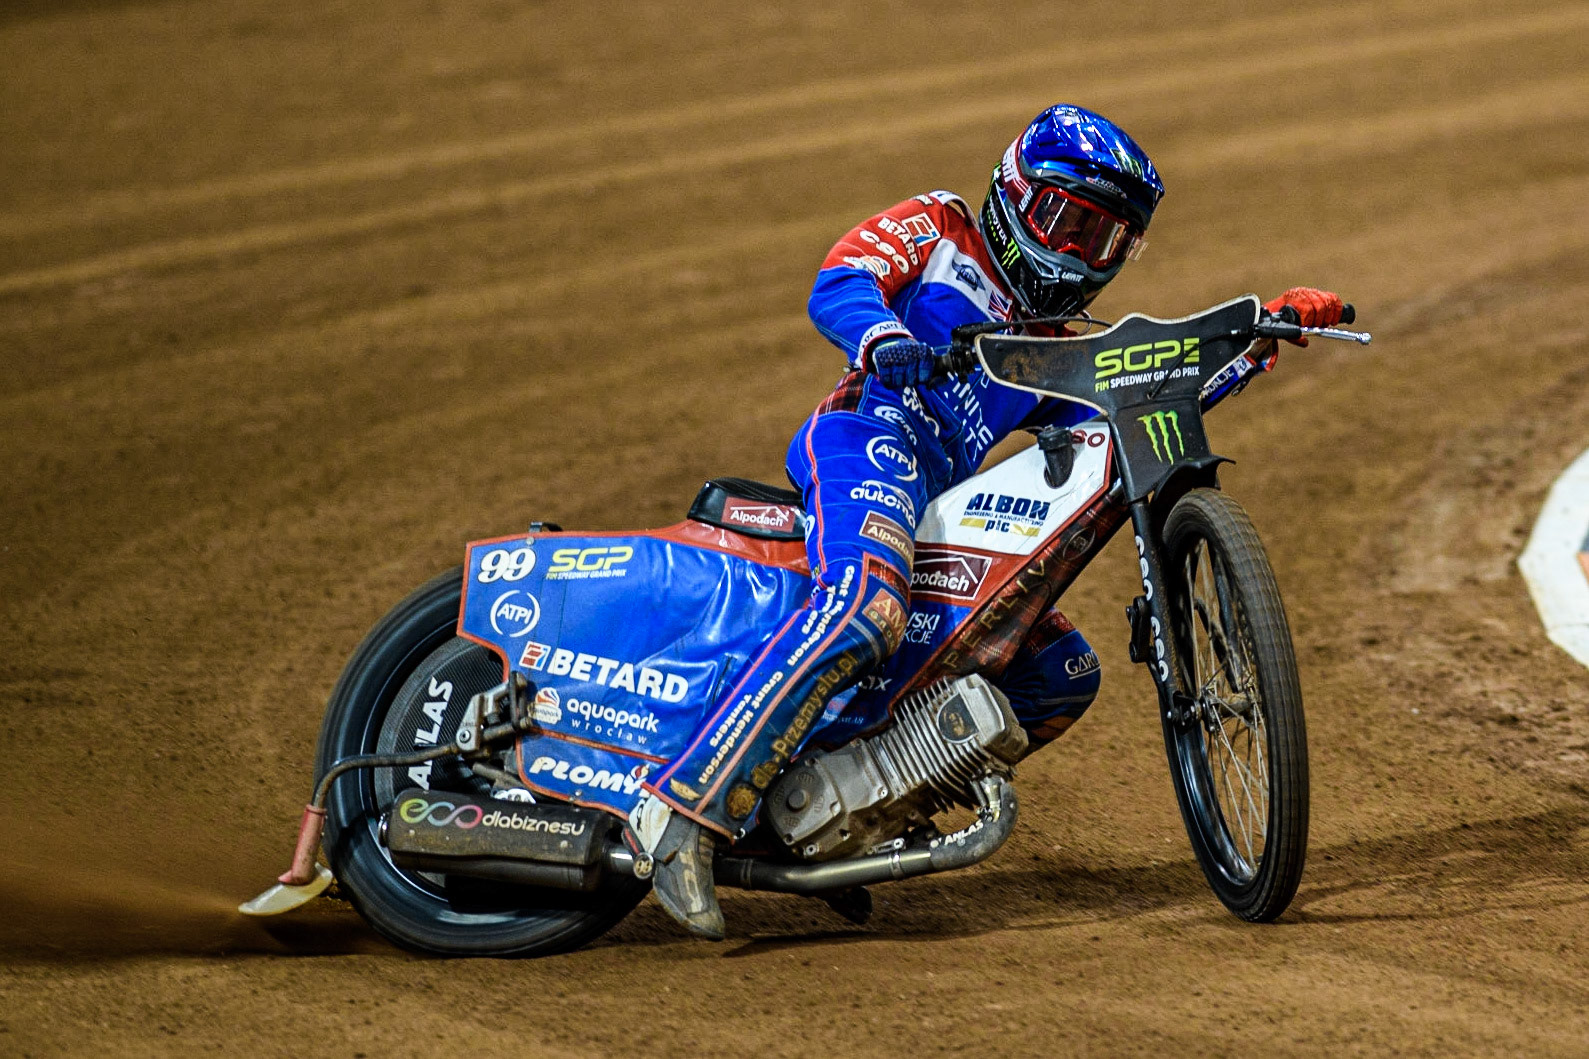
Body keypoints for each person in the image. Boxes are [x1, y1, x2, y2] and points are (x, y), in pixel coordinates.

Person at [628, 104, 1344, 938]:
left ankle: (843, 821)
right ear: (1012, 195)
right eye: (1065, 223)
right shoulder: (941, 227)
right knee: (865, 608)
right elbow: (842, 276)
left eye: (1103, 240)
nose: (1077, 255)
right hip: (866, 435)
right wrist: (881, 337)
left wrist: (1255, 338)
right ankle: (680, 812)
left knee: (1060, 673)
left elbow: (1127, 415)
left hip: (938, 502)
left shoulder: (1052, 344)